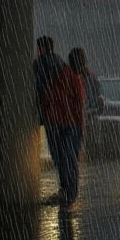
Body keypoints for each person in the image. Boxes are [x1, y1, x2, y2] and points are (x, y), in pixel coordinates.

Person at [44, 47, 88, 210]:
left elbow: (51, 98)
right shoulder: (73, 79)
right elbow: (77, 106)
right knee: (70, 159)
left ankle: (66, 191)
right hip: (70, 125)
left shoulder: (62, 76)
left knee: (63, 159)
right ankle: (70, 194)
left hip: (60, 123)